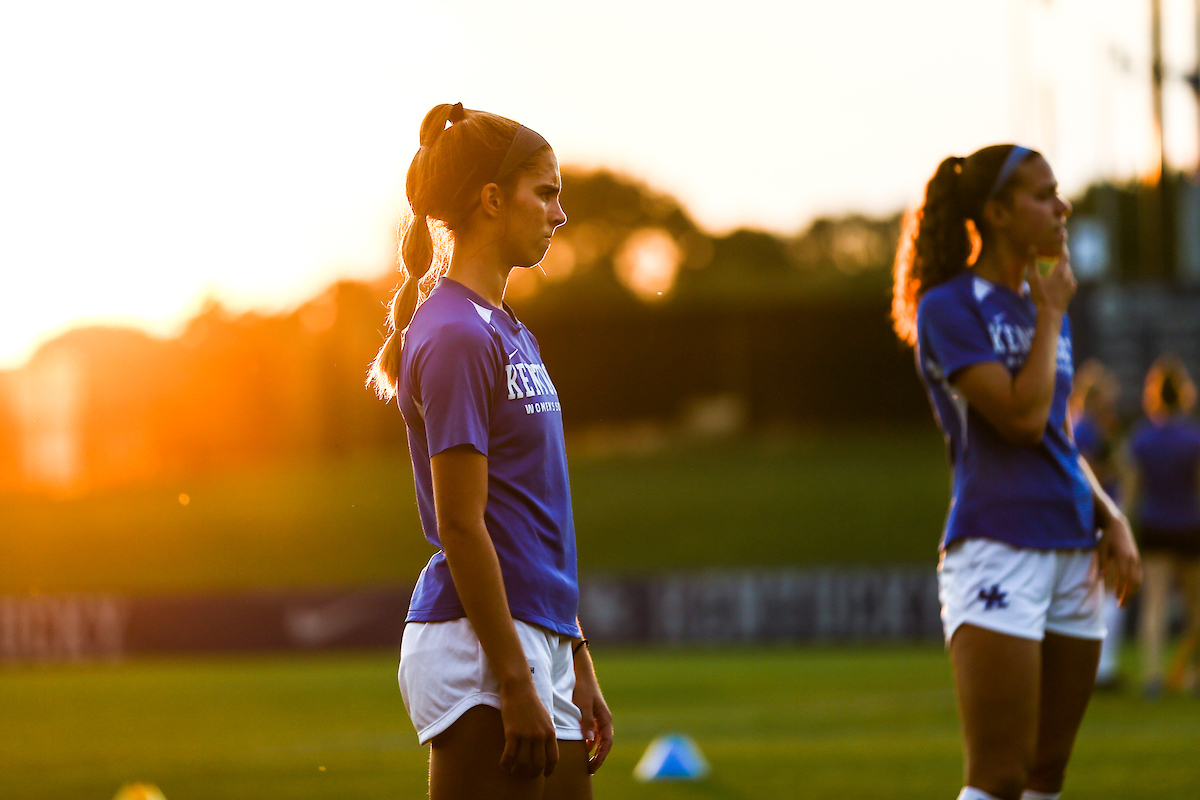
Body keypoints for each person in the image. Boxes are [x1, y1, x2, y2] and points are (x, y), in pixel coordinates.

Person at [368, 102, 613, 799]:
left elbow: (533, 516)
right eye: (547, 193)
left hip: (541, 639)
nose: (559, 214)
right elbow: (462, 524)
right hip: (480, 649)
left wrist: (577, 659)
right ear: (492, 199)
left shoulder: (508, 329)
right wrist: (512, 677)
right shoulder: (453, 335)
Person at [891, 144, 1142, 800]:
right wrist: (1053, 310)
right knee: (998, 778)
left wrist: (1109, 515)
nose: (1061, 208)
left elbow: (1057, 436)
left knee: (1045, 777)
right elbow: (1022, 422)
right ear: (997, 213)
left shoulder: (1037, 302)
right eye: (1042, 195)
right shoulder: (949, 307)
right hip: (998, 547)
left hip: (1072, 547)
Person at [1124, 355, 1200, 696]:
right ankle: (1193, 675)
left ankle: (1153, 676)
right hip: (1189, 527)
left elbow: (1131, 490)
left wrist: (1124, 524)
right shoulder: (1193, 437)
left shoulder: (1142, 437)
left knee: (1153, 605)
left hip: (1155, 526)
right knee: (1195, 606)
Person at [1069, 359, 1127, 689]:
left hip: (1095, 514)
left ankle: (1100, 666)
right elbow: (1088, 472)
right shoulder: (1086, 428)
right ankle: (1101, 669)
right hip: (1096, 514)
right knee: (1103, 588)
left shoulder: (1091, 424)